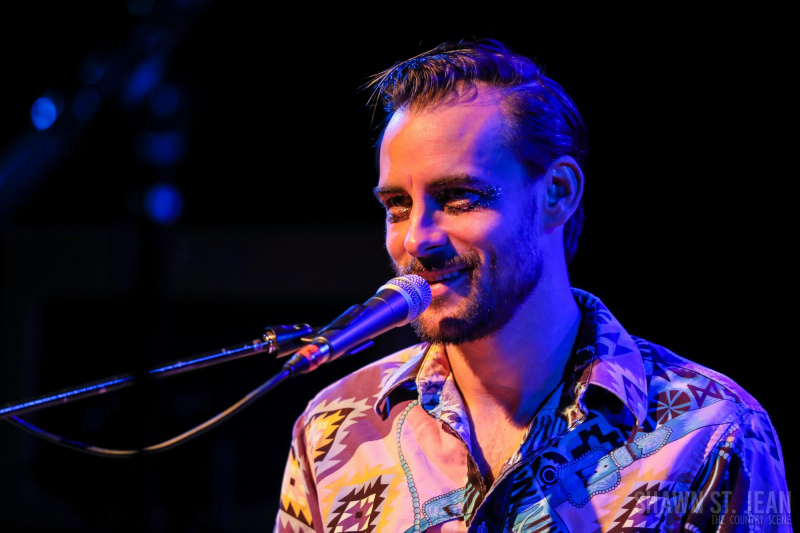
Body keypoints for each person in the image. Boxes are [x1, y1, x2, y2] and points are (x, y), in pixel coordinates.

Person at [275, 41, 790, 532]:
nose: (417, 239)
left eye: (458, 198)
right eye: (397, 206)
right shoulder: (334, 427)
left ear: (558, 194)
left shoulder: (713, 431)